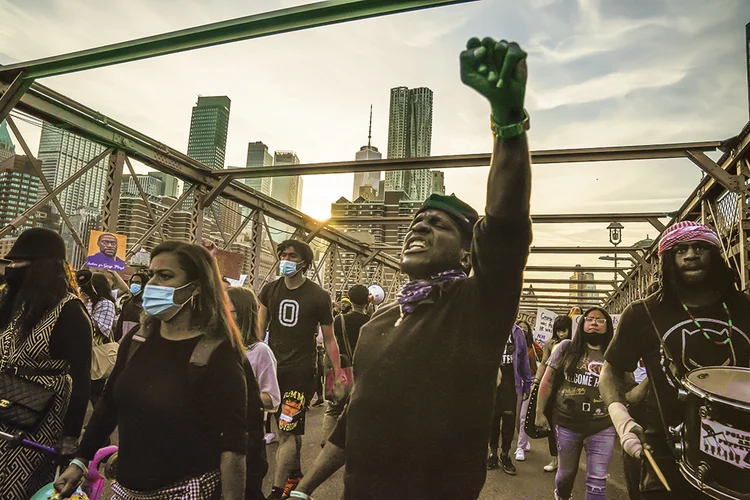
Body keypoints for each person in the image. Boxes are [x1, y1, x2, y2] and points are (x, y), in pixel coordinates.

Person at [293, 36, 532, 500]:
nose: (418, 228)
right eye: (416, 221)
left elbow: (504, 227)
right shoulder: (377, 324)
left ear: (467, 253)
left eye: (438, 224)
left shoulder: (476, 308)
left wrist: (507, 126)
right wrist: (303, 490)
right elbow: (352, 424)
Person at [55, 241, 248, 500]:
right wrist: (80, 461)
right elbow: (109, 403)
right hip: (126, 491)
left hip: (186, 492)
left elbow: (233, 445)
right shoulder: (138, 339)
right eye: (152, 274)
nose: (152, 283)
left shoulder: (217, 353)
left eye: (165, 275)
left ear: (197, 287)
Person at [601, 221, 750, 500]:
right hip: (667, 455)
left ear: (715, 255)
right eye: (680, 249)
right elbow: (611, 371)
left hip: (740, 453)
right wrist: (620, 418)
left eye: (700, 247)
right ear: (668, 259)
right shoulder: (642, 313)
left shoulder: (744, 308)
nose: (691, 255)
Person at [0, 228, 92, 498]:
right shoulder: (13, 304)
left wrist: (71, 437)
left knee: (18, 481)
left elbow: (81, 378)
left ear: (41, 267)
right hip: (4, 399)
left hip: (40, 412)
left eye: (19, 263)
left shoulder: (70, 310)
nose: (11, 269)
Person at [258, 239, 347, 500]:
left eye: (292, 256)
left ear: (304, 262)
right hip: (273, 369)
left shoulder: (319, 296)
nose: (286, 259)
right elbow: (259, 327)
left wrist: (336, 373)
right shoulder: (270, 290)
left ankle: (277, 493)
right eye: (283, 254)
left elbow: (330, 338)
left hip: (300, 372)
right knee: (289, 429)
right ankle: (294, 474)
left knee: (286, 430)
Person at [535, 307, 616, 500]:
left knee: (597, 481)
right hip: (567, 424)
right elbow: (548, 380)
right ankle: (562, 496)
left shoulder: (614, 354)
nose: (594, 323)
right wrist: (539, 412)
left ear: (608, 326)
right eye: (589, 319)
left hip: (602, 426)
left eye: (600, 320)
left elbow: (626, 388)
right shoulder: (566, 348)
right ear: (581, 325)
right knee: (566, 475)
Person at [228, 286, 281, 500]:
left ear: (240, 312)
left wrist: (235, 398)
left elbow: (273, 399)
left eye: (226, 308)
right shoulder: (217, 346)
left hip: (248, 438)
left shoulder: (259, 351)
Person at [320, 284, 371, 447]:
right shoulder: (373, 321)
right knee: (360, 411)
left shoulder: (339, 320)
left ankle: (327, 443)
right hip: (363, 373)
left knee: (333, 409)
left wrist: (328, 373)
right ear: (367, 301)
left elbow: (330, 346)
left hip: (340, 369)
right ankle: (356, 444)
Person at [487, 324, 532, 475]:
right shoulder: (489, 327)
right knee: (492, 420)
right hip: (493, 384)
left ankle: (505, 454)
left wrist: (527, 384)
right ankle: (492, 453)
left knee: (508, 420)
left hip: (511, 385)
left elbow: (524, 358)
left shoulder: (517, 332)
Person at [532, 314, 572, 473]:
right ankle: (555, 459)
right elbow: (543, 364)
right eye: (559, 331)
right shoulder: (550, 343)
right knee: (551, 423)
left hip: (569, 386)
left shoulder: (576, 343)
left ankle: (566, 459)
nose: (562, 334)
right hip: (552, 385)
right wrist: (536, 381)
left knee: (568, 425)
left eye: (565, 330)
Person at [76, 269, 117, 407]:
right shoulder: (89, 302)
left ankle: (98, 422)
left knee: (95, 393)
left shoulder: (106, 303)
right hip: (86, 351)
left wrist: (80, 314)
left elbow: (102, 328)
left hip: (98, 351)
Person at [514, 320, 542, 461]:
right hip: (513, 382)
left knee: (523, 416)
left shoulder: (534, 346)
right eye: (520, 328)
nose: (523, 330)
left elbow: (544, 361)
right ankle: (523, 440)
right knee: (516, 416)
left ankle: (520, 446)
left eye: (526, 328)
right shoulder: (512, 344)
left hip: (529, 382)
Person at [113, 271, 150, 342]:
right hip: (124, 341)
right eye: (132, 282)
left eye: (137, 282)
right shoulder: (127, 302)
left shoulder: (147, 304)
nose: (134, 285)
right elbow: (120, 326)